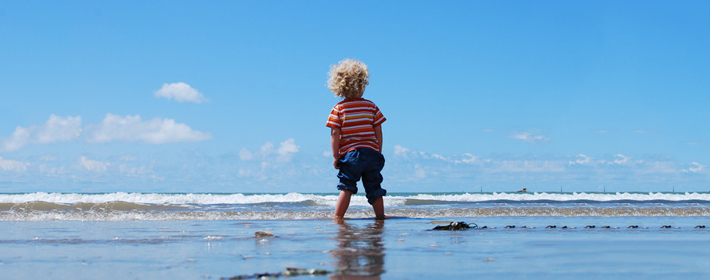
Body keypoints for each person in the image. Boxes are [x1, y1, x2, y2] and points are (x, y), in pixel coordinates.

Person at [325, 58, 387, 220]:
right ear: (362, 84)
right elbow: (378, 130)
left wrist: (335, 156)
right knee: (374, 187)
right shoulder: (371, 106)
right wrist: (378, 150)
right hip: (372, 153)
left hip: (351, 155)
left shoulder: (339, 109)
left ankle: (338, 217)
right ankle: (380, 216)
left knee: (346, 187)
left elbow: (334, 134)